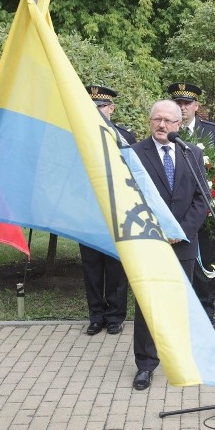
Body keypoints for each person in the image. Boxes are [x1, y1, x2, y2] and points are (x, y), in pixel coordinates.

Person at [129, 100, 207, 390]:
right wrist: (158, 231)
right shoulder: (135, 154)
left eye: (168, 121)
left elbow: (202, 198)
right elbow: (130, 200)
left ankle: (179, 357)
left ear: (178, 125)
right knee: (148, 303)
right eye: (157, 119)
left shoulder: (191, 153)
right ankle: (146, 365)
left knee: (179, 302)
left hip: (183, 242)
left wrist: (182, 230)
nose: (162, 125)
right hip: (149, 243)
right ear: (149, 122)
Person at [79, 85, 136, 336]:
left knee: (115, 268)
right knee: (91, 268)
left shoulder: (125, 137)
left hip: (116, 211)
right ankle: (96, 316)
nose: (96, 111)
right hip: (88, 212)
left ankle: (115, 315)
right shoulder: (78, 136)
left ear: (111, 108)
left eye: (101, 106)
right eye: (91, 107)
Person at [169, 82, 215, 317]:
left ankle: (205, 310)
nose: (182, 108)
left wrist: (214, 192)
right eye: (178, 103)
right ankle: (180, 311)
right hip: (175, 211)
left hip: (204, 208)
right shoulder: (168, 131)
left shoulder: (211, 131)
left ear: (196, 106)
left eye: (186, 103)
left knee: (205, 261)